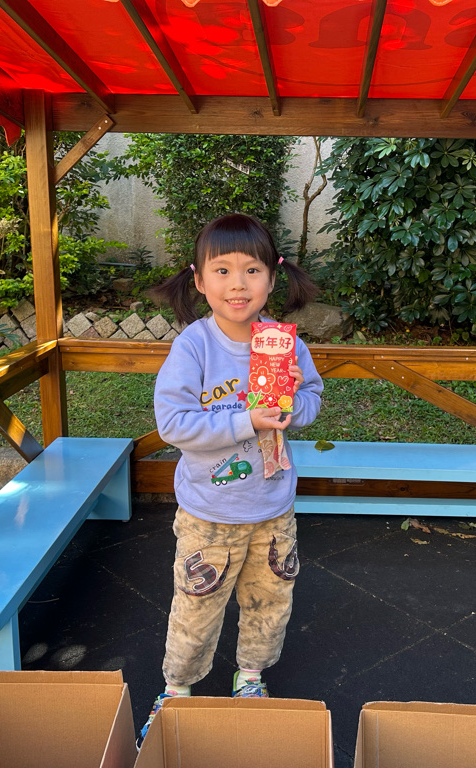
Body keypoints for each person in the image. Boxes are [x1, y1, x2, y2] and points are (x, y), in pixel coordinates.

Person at [141, 213, 323, 741]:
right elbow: (173, 424)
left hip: (273, 509)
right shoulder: (194, 346)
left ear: (273, 277)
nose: (238, 284)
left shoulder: (285, 343)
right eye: (222, 271)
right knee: (196, 607)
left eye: (252, 270)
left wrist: (292, 405)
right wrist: (249, 420)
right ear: (199, 280)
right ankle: (176, 689)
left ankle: (250, 677)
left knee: (270, 601)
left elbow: (310, 401)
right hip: (209, 514)